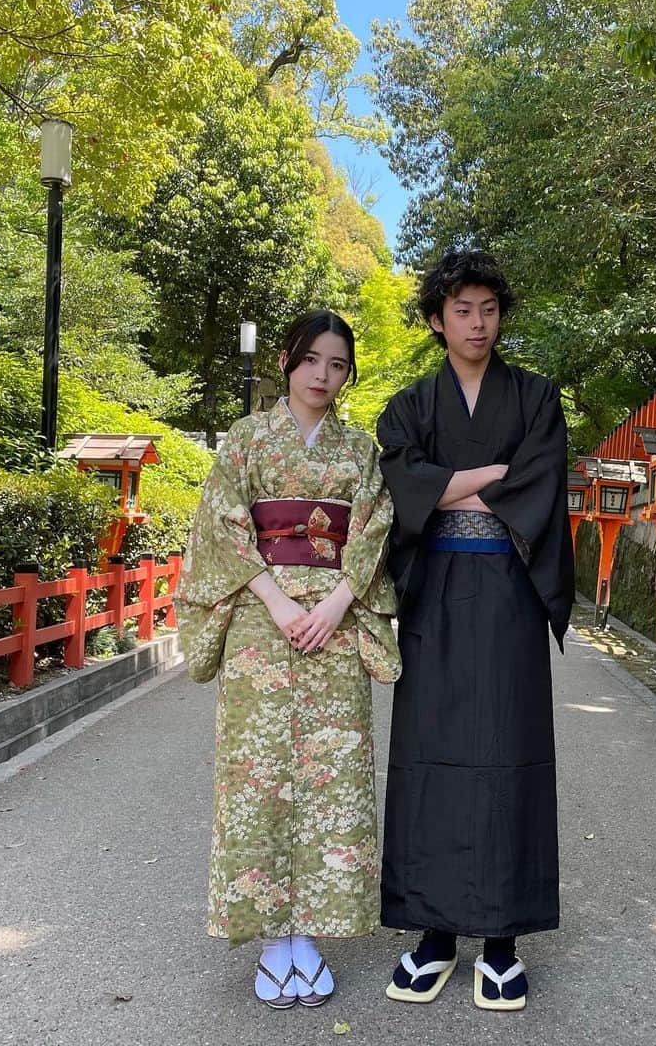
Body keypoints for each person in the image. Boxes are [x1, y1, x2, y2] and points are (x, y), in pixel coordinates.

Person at [176, 310, 400, 1010]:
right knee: (258, 774)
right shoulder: (247, 440)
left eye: (337, 365)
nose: (323, 377)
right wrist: (275, 601)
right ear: (286, 362)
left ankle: (311, 935)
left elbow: (372, 527)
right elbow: (221, 521)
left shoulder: (358, 450)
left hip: (334, 618)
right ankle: (274, 939)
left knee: (333, 776)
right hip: (258, 620)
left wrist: (336, 603)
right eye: (312, 361)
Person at [376, 250, 574, 1011]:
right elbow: (399, 482)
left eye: (489, 308)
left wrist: (449, 486)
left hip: (510, 594)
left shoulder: (535, 397)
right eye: (462, 310)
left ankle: (501, 941)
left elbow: (540, 482)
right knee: (428, 755)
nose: (477, 323)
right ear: (437, 319)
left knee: (509, 753)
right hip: (435, 594)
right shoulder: (410, 404)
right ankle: (431, 934)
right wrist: (490, 475)